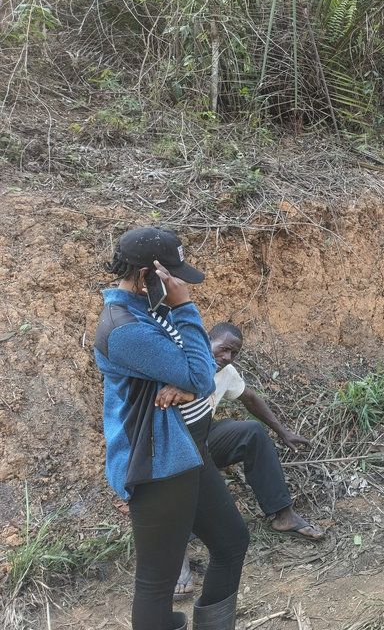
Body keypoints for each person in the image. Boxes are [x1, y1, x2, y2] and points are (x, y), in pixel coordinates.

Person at [95, 227, 248, 630]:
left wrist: (183, 377)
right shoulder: (126, 327)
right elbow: (201, 372)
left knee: (232, 542)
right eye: (170, 276)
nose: (177, 284)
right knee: (157, 582)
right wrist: (186, 307)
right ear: (146, 275)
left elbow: (195, 365)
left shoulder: (147, 310)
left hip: (187, 449)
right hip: (158, 461)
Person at [160, 322, 324, 598]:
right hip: (173, 443)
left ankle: (282, 514)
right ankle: (177, 558)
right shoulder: (183, 360)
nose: (226, 358)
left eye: (233, 353)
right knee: (185, 471)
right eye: (223, 349)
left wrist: (283, 432)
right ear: (205, 341)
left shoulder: (226, 371)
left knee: (252, 432)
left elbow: (249, 398)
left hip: (206, 436)